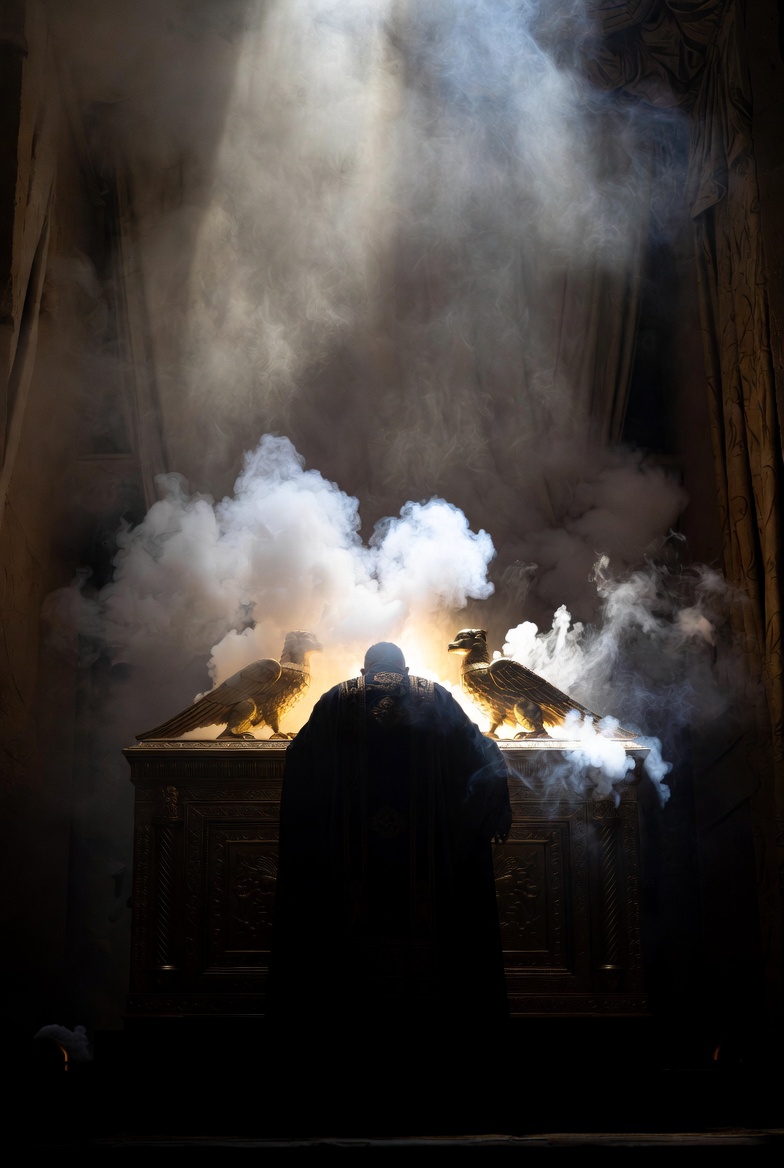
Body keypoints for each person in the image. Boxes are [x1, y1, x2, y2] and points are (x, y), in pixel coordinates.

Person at [267, 641, 512, 1055]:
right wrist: (492, 808)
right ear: (405, 667)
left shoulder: (337, 699)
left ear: (364, 670)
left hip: (350, 862)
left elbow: (301, 761)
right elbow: (480, 752)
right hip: (426, 864)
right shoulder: (432, 695)